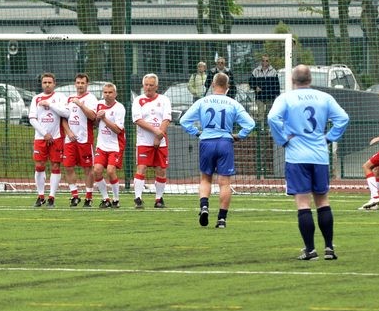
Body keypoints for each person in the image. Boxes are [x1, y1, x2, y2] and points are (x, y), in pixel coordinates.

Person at [267, 65, 349, 261]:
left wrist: (283, 139)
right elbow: (343, 118)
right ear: (310, 80)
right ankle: (329, 248)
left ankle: (310, 250)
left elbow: (272, 117)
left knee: (303, 203)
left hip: (296, 157)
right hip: (319, 156)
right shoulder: (324, 98)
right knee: (323, 201)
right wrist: (329, 137)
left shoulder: (286, 98)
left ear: (292, 80)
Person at [180, 72, 256, 228]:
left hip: (206, 142)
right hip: (224, 142)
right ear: (228, 86)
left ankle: (204, 206)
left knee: (205, 178)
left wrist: (197, 133)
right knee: (224, 183)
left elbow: (184, 121)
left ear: (213, 85)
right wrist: (239, 136)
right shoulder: (233, 103)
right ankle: (221, 219)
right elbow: (250, 124)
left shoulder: (202, 101)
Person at [132, 73, 172, 208]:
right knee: (141, 167)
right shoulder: (138, 100)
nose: (148, 87)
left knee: (161, 169)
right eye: (146, 85)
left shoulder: (164, 100)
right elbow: (138, 120)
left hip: (161, 142)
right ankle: (138, 198)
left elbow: (167, 119)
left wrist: (159, 137)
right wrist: (156, 132)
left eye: (151, 85)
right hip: (144, 141)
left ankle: (159, 199)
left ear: (156, 86)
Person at [29, 72, 69, 208]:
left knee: (55, 166)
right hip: (40, 138)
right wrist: (44, 133)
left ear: (54, 84)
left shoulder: (60, 97)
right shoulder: (36, 98)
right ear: (41, 84)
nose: (47, 85)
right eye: (44, 82)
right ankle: (41, 196)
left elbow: (66, 113)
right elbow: (32, 119)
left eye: (49, 82)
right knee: (39, 166)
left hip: (57, 137)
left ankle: (52, 197)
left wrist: (50, 105)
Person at [61, 73, 98, 207]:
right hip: (70, 139)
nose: (80, 85)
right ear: (75, 84)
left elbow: (93, 116)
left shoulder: (91, 98)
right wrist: (69, 132)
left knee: (88, 168)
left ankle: (88, 197)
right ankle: (74, 196)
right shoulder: (69, 98)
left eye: (83, 83)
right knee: (68, 167)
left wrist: (81, 105)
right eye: (78, 83)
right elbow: (63, 118)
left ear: (87, 84)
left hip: (85, 139)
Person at [94, 82, 126, 208]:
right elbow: (95, 124)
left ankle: (116, 199)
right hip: (101, 145)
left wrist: (104, 118)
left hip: (115, 145)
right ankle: (105, 198)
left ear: (115, 94)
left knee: (110, 171)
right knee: (97, 170)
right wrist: (97, 118)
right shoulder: (99, 105)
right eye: (105, 92)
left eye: (110, 92)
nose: (107, 95)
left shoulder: (119, 108)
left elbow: (118, 130)